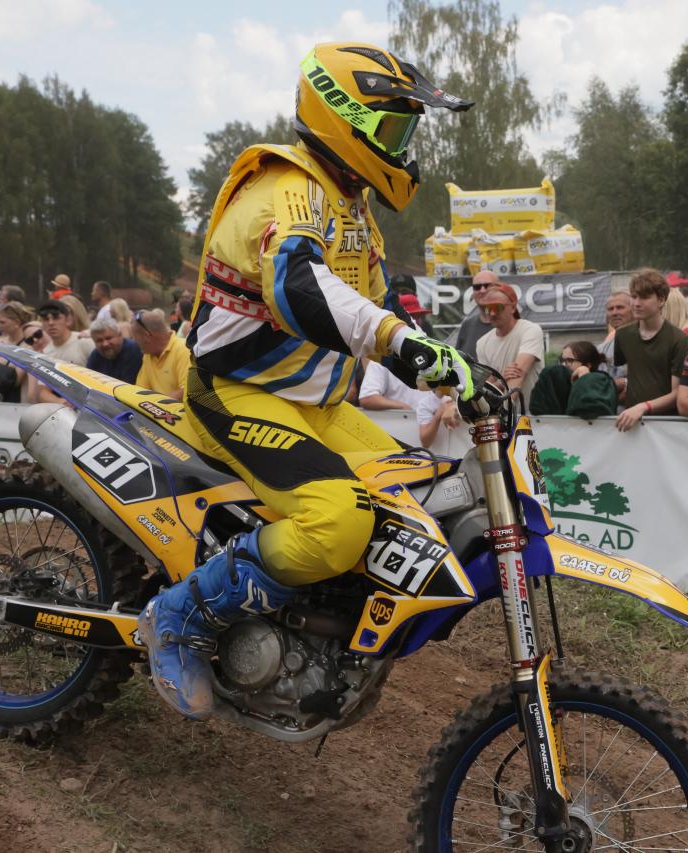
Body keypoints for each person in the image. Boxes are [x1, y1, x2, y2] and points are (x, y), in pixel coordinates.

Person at [139, 41, 476, 720]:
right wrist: (397, 340)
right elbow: (299, 287)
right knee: (339, 521)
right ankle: (177, 616)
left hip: (312, 402)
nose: (403, 149)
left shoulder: (350, 207)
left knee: (413, 489)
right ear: (343, 119)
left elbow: (376, 309)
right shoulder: (286, 189)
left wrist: (447, 365)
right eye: (393, 130)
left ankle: (317, 627)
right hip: (235, 391)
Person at [613, 268, 688, 431]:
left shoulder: (679, 339)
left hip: (667, 426)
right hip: (631, 424)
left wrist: (644, 406)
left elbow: (678, 393)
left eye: (644, 297)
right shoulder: (622, 335)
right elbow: (627, 374)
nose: (636, 303)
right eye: (634, 296)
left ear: (661, 300)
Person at [474, 284, 544, 403]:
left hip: (533, 412)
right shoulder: (482, 343)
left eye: (497, 307)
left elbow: (517, 376)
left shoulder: (530, 330)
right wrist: (501, 380)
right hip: (502, 411)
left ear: (513, 307)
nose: (492, 313)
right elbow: (487, 387)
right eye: (488, 308)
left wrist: (505, 409)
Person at [530, 341, 618, 418]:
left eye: (570, 361)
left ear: (587, 365)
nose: (564, 365)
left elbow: (591, 410)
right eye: (562, 360)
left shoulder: (602, 382)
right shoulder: (557, 381)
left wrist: (584, 376)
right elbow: (537, 409)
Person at [131, 309, 190, 399]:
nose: (135, 341)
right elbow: (140, 390)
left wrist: (153, 403)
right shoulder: (148, 354)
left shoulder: (183, 349)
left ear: (147, 336)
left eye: (135, 337)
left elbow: (185, 391)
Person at [0, 301, 33, 402]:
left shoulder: (28, 347)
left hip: (18, 401)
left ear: (17, 322)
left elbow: (16, 380)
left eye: (2, 322)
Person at [454, 270, 500, 360]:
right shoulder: (467, 325)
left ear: (499, 288)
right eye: (477, 287)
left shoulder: (512, 324)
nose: (482, 290)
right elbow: (457, 361)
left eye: (487, 286)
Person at [87, 317, 145, 384]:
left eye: (108, 338)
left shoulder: (136, 351)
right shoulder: (95, 355)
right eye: (99, 340)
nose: (105, 344)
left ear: (120, 335)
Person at [37, 299, 95, 364]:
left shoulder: (84, 341)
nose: (51, 323)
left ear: (67, 320)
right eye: (46, 319)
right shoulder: (46, 352)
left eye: (56, 318)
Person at [357, 359, 425, 411]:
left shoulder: (428, 357)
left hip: (426, 421)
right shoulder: (380, 361)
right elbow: (368, 398)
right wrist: (402, 407)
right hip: (400, 421)